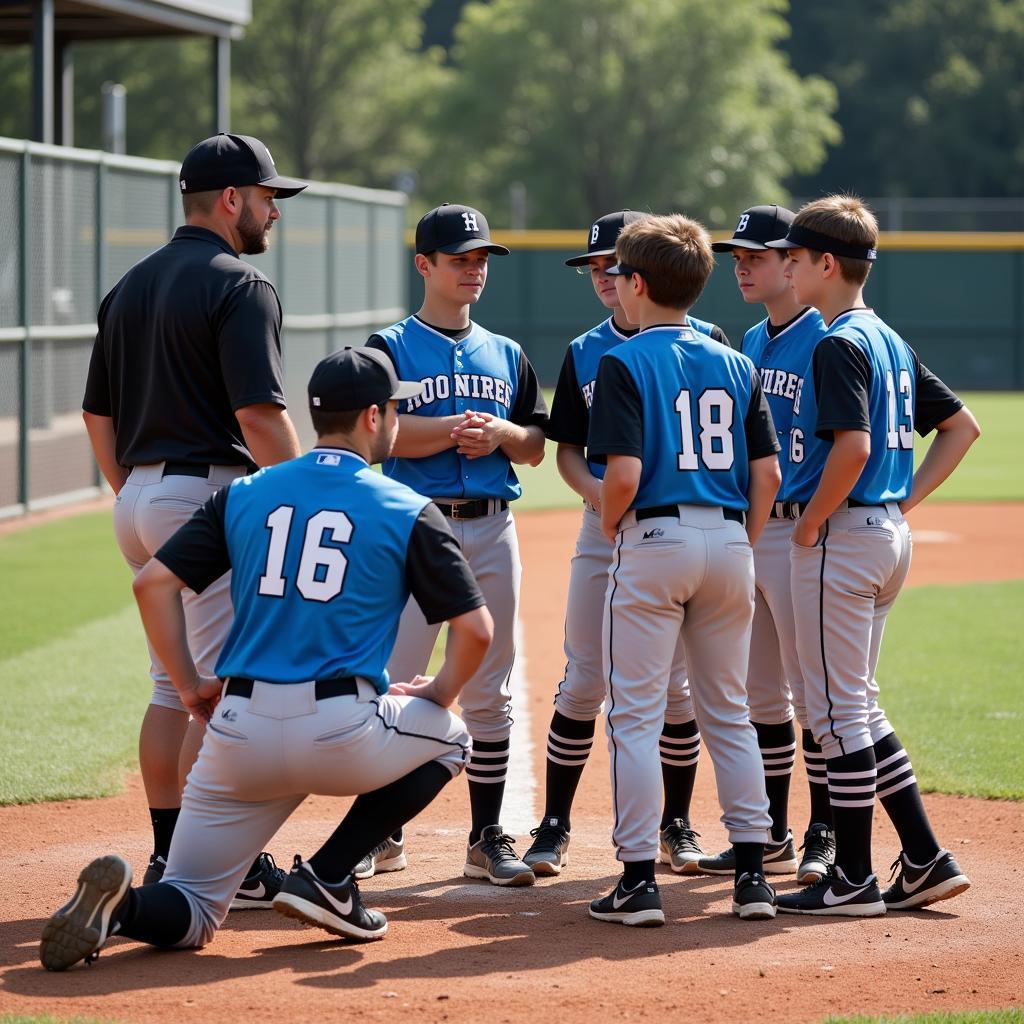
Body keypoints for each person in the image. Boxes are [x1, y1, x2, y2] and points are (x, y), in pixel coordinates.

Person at [40, 347, 494, 971]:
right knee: (452, 739)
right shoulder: (406, 506)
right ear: (371, 416)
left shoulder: (247, 491)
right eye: (393, 407)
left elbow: (152, 584)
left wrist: (190, 685)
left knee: (193, 905)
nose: (394, 419)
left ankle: (122, 911)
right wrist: (438, 693)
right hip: (344, 733)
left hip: (238, 732)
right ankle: (332, 876)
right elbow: (475, 630)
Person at [81, 133, 306, 906]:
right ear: (232, 200)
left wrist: (134, 495)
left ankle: (170, 855)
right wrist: (317, 490)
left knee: (167, 688)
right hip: (205, 494)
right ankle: (217, 868)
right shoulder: (240, 286)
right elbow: (259, 416)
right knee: (223, 689)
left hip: (139, 497)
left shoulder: (130, 284)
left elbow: (95, 414)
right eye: (268, 197)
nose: (274, 212)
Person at [764, 195, 979, 916]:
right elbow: (961, 428)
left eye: (793, 257)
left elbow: (853, 447)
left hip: (842, 538)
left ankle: (852, 877)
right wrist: (902, 502)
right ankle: (921, 856)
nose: (786, 268)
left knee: (836, 713)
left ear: (827, 264)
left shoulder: (835, 343)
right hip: (884, 537)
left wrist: (811, 523)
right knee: (853, 706)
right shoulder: (883, 335)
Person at [586, 213, 782, 926]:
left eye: (620, 277)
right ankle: (754, 875)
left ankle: (638, 881)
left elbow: (625, 473)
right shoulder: (736, 362)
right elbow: (767, 473)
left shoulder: (623, 359)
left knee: (636, 716)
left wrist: (613, 523)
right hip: (730, 540)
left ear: (636, 283)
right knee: (727, 712)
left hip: (655, 536)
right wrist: (742, 541)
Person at [523, 211, 733, 878]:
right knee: (584, 677)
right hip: (605, 524)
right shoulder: (586, 351)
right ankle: (554, 826)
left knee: (675, 692)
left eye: (611, 267)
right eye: (593, 269)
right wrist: (602, 502)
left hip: (671, 527)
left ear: (638, 273)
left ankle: (676, 825)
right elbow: (567, 454)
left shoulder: (707, 339)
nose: (603, 280)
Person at [365, 203, 548, 887]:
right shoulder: (387, 347)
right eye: (460, 259)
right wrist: (448, 430)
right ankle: (382, 835)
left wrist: (500, 435)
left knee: (489, 685)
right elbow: (377, 438)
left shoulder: (508, 354)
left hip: (492, 524)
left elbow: (535, 447)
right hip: (412, 528)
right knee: (393, 681)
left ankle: (485, 835)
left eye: (481, 260)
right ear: (424, 265)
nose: (474, 270)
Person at [694, 206, 834, 883]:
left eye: (758, 254)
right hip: (754, 527)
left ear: (794, 263)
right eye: (737, 255)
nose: (742, 264)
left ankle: (827, 832)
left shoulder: (827, 337)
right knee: (761, 694)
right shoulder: (749, 340)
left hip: (805, 526)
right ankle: (774, 832)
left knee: (815, 694)